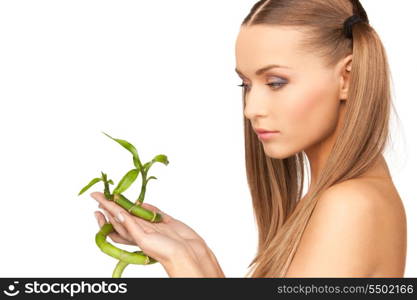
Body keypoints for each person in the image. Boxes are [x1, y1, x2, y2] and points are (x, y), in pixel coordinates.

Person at [91, 0, 407, 278]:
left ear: (346, 78)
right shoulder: (335, 198)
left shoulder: (350, 206)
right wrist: (197, 256)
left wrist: (182, 266)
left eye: (276, 82)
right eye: (246, 85)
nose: (251, 109)